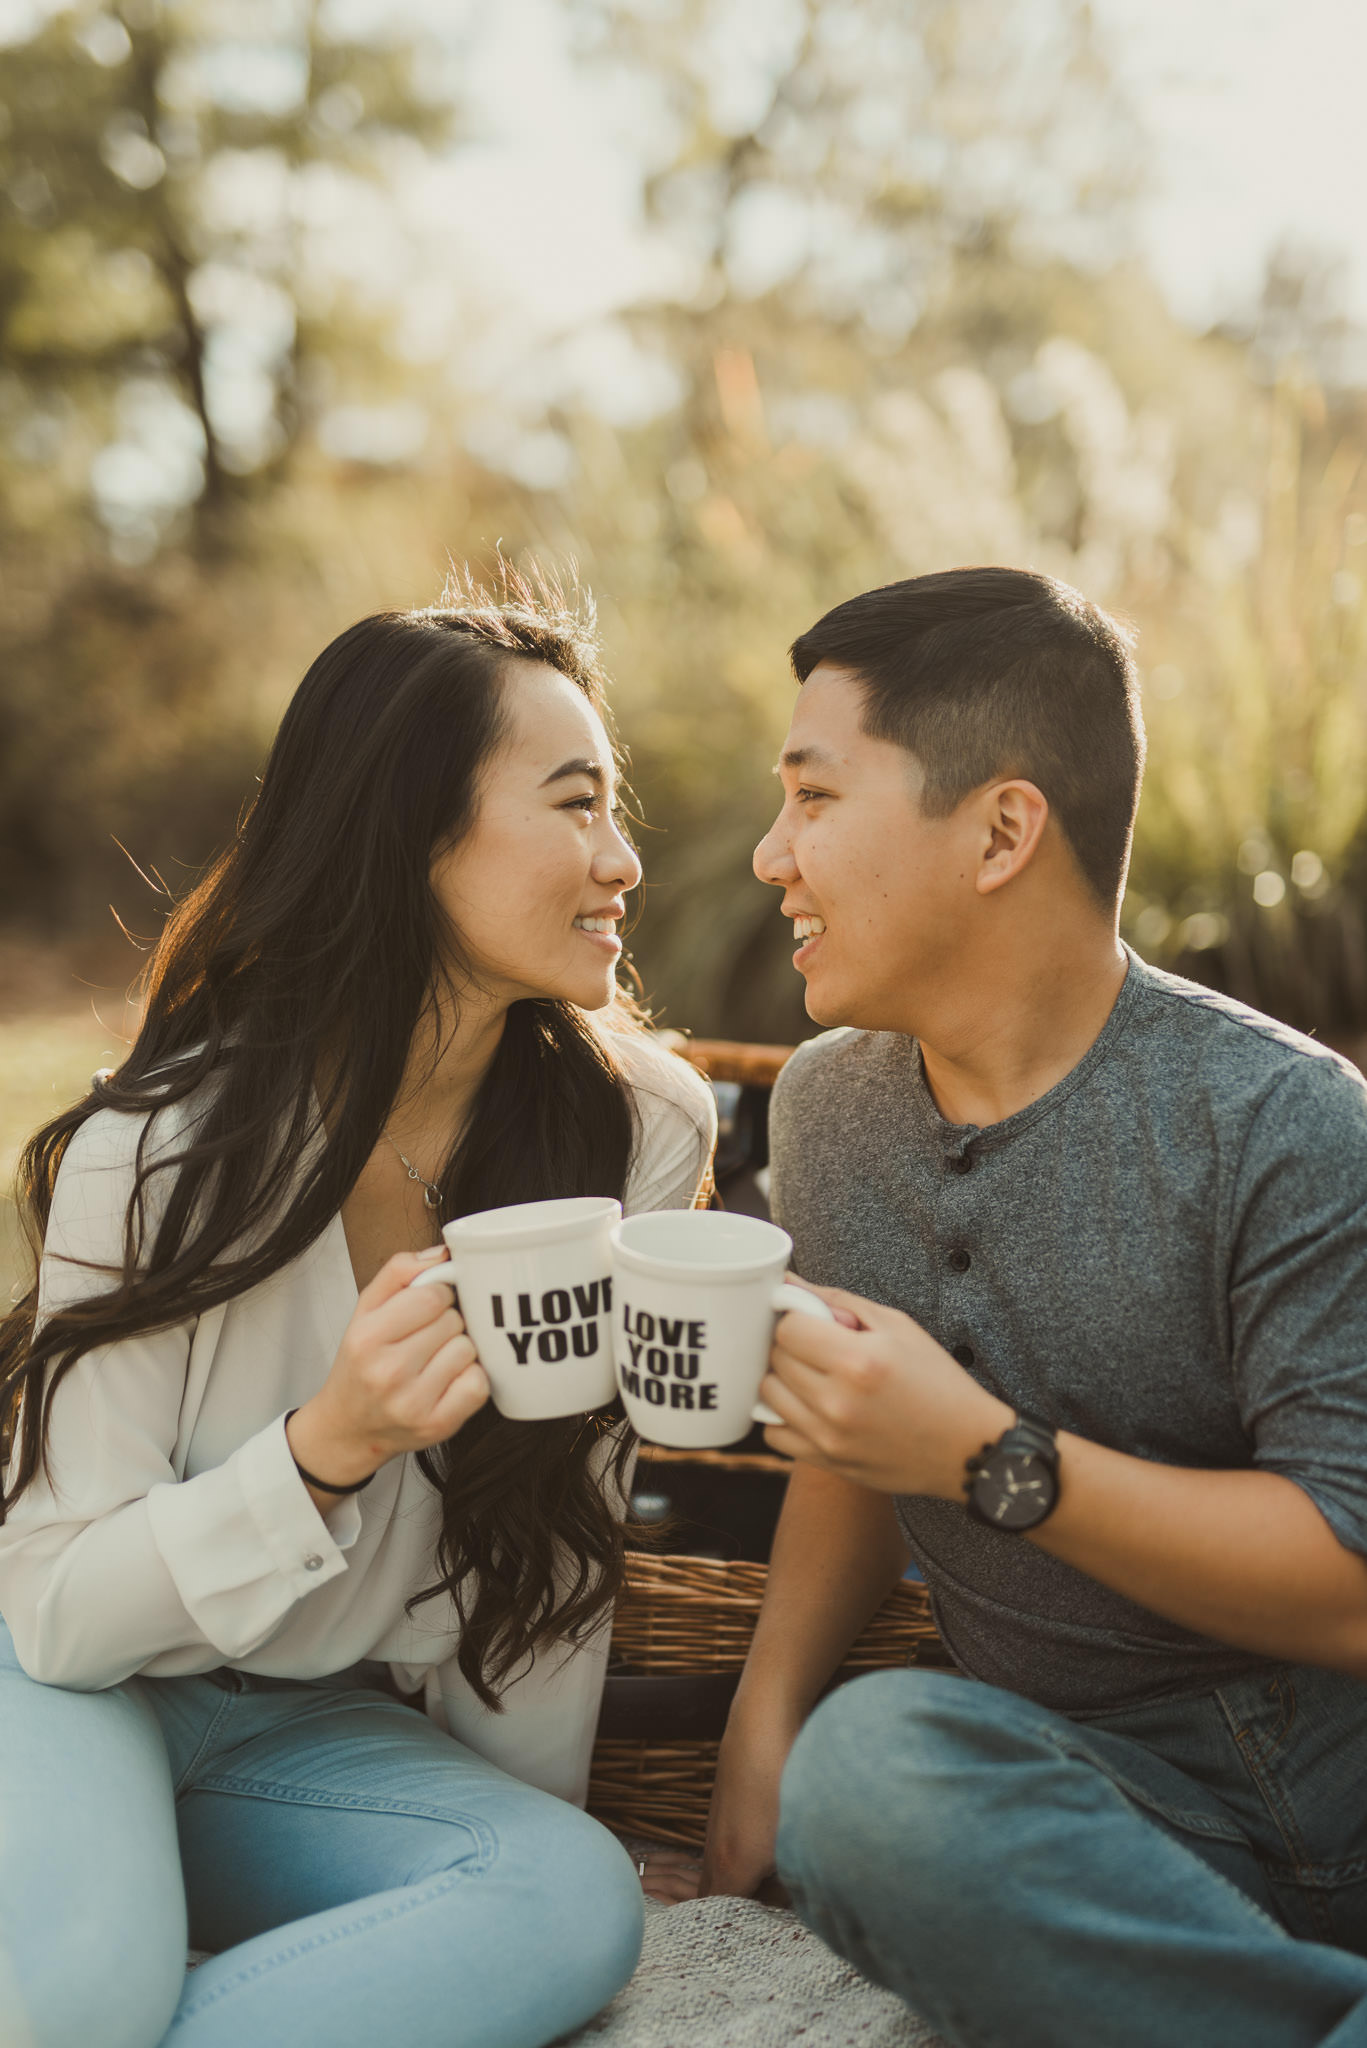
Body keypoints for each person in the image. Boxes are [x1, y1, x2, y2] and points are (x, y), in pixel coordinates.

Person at [0, 572, 715, 2048]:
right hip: (63, 1688)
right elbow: (63, 1618)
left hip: (307, 1735)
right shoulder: (164, 1147)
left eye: (614, 807)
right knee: (78, 1999)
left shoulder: (638, 1129)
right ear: (412, 834)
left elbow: (559, 1533)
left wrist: (513, 1841)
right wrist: (325, 1445)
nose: (623, 858)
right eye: (575, 806)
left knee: (562, 1901)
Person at [702, 565, 1367, 2046]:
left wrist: (993, 1462)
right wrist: (765, 1734)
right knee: (867, 1773)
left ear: (1002, 830)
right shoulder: (829, 1111)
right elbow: (857, 1438)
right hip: (1083, 1796)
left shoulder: (1282, 1124)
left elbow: (1355, 1586)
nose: (769, 854)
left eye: (814, 798)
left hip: (1340, 1777)